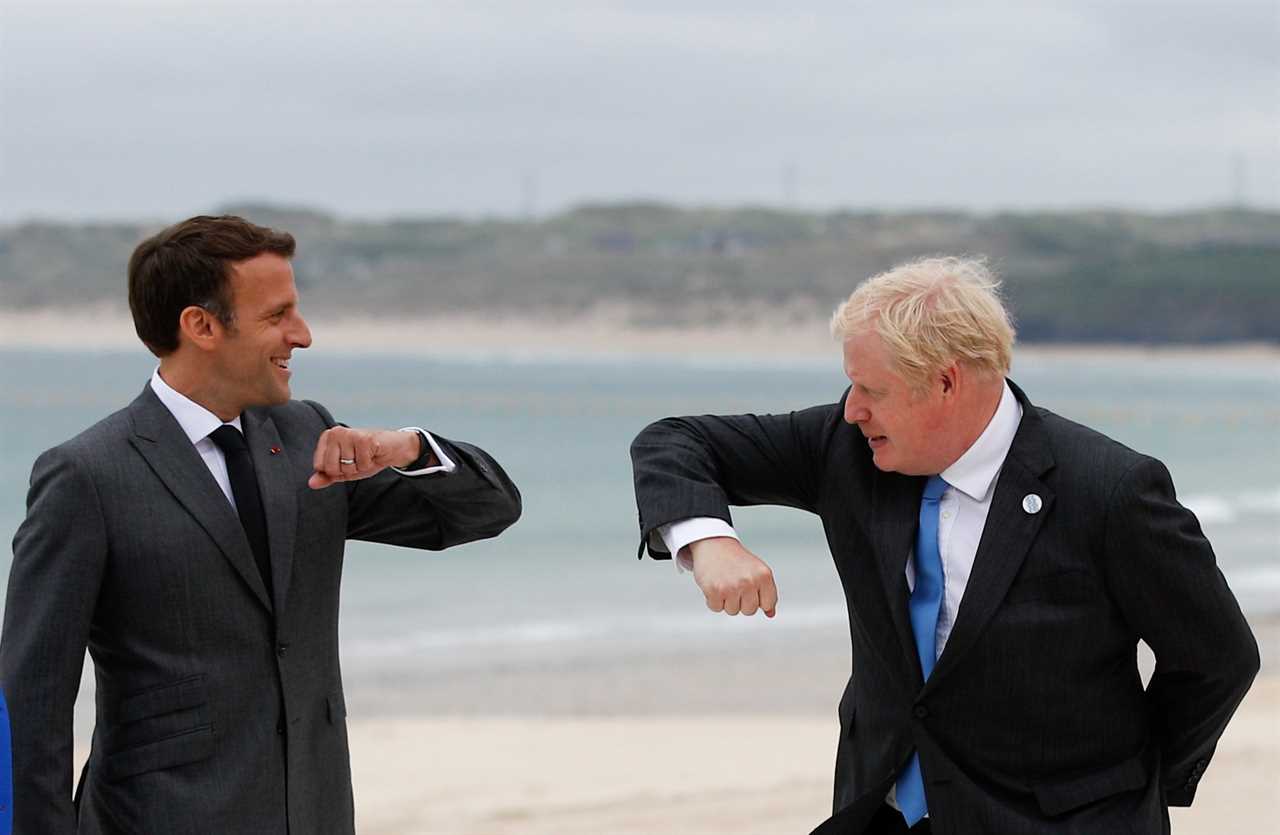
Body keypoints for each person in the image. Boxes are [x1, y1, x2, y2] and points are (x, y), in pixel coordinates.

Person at [629, 256, 1258, 834]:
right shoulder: (844, 450)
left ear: (946, 383)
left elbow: (1216, 658)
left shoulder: (1110, 490)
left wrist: (1126, 787)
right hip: (883, 812)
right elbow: (674, 441)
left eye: (871, 390)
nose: (852, 410)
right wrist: (710, 540)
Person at [0, 215, 522, 834]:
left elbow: (486, 510)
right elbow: (31, 704)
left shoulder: (309, 437)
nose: (301, 335)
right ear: (201, 326)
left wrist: (407, 448)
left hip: (315, 813)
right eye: (277, 316)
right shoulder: (87, 475)